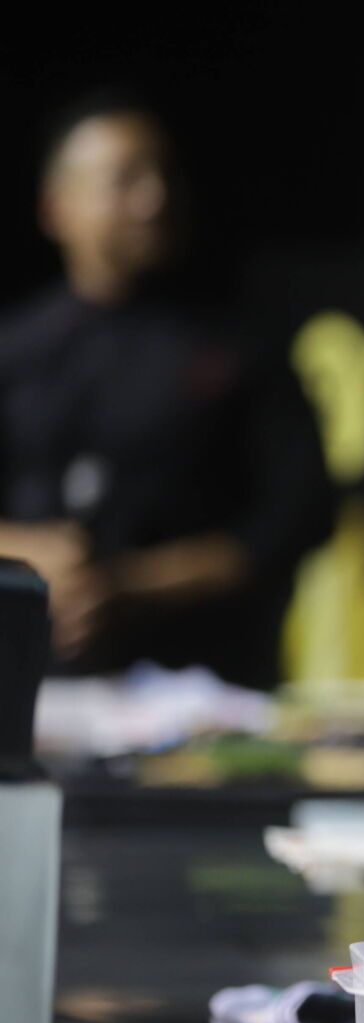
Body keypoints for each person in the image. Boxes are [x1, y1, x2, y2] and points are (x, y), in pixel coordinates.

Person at [0, 93, 332, 687]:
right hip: (30, 685)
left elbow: (296, 518)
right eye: (124, 180)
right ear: (57, 208)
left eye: (163, 174)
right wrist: (24, 555)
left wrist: (131, 585)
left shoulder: (237, 344)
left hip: (201, 689)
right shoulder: (18, 348)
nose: (153, 199)